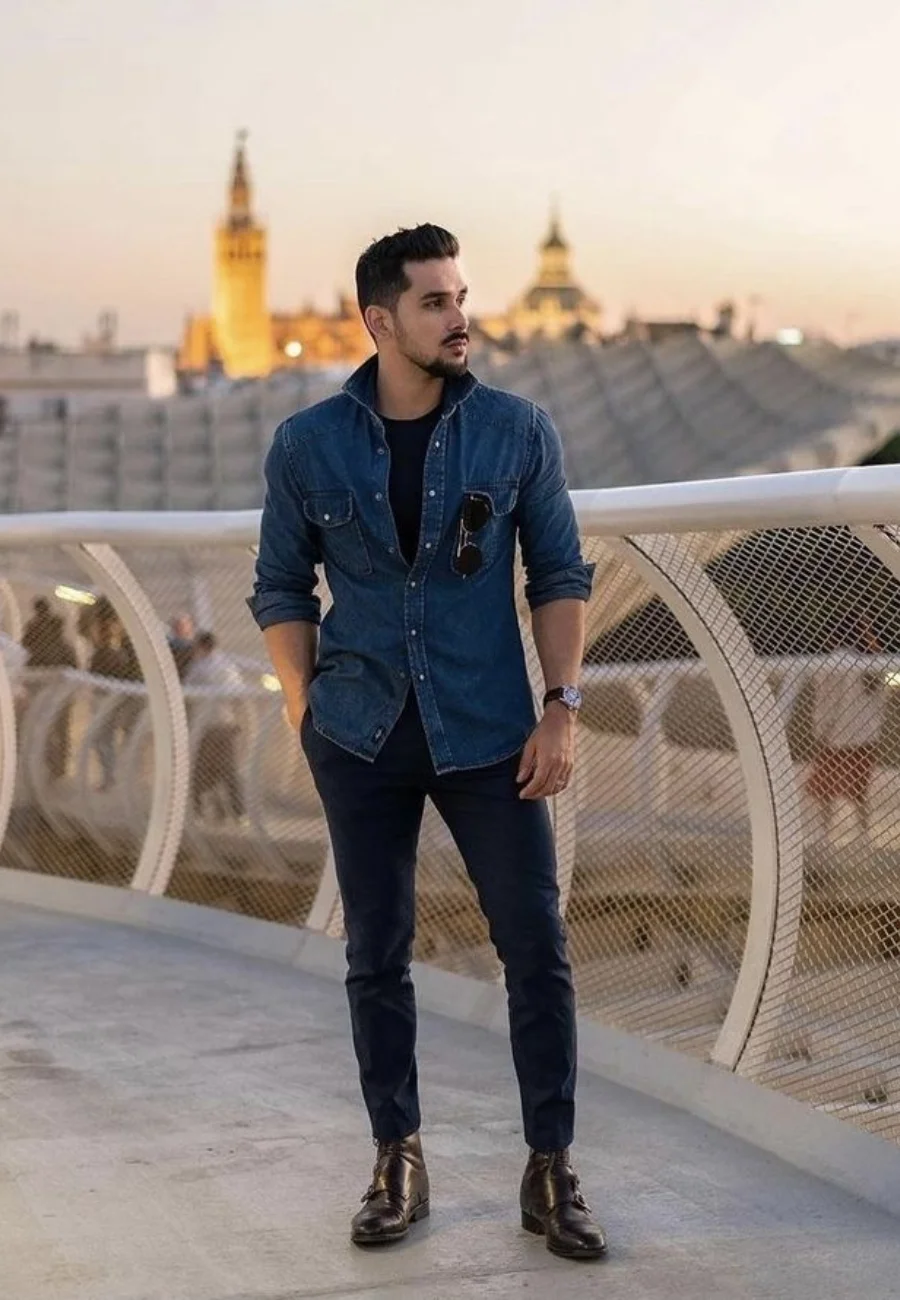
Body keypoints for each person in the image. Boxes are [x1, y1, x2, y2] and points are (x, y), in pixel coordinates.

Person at [249, 225, 605, 1260]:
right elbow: (280, 583)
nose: (462, 318)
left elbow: (561, 573)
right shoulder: (308, 444)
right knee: (377, 955)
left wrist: (564, 705)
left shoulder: (516, 430)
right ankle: (395, 1158)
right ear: (380, 320)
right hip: (358, 733)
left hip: (494, 731)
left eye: (461, 296)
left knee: (534, 947)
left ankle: (551, 1169)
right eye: (437, 302)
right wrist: (302, 701)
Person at [807, 616, 886, 841]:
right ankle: (864, 834)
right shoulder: (868, 663)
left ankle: (823, 833)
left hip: (836, 736)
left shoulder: (830, 664)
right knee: (859, 790)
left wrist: (820, 731)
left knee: (825, 789)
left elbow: (826, 701)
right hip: (865, 737)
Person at [185, 631, 246, 821]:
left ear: (201, 647)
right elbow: (237, 693)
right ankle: (235, 812)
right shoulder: (227, 666)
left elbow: (187, 690)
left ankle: (201, 810)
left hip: (210, 726)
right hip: (225, 724)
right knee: (227, 770)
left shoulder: (200, 667)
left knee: (202, 769)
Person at [20, 597, 77, 779]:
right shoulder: (62, 642)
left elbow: (26, 658)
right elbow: (73, 664)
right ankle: (60, 766)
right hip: (62, 692)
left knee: (43, 726)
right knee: (61, 728)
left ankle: (49, 762)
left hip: (40, 690)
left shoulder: (33, 634)